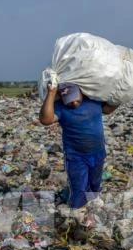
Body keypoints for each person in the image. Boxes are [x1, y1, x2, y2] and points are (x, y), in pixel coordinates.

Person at [39, 82, 117, 216]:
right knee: (79, 188)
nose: (74, 103)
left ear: (82, 91)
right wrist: (51, 93)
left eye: (76, 98)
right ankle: (78, 218)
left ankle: (92, 212)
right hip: (75, 156)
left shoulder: (93, 100)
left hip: (98, 153)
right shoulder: (60, 107)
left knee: (95, 184)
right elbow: (46, 120)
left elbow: (108, 109)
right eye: (69, 100)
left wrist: (122, 95)